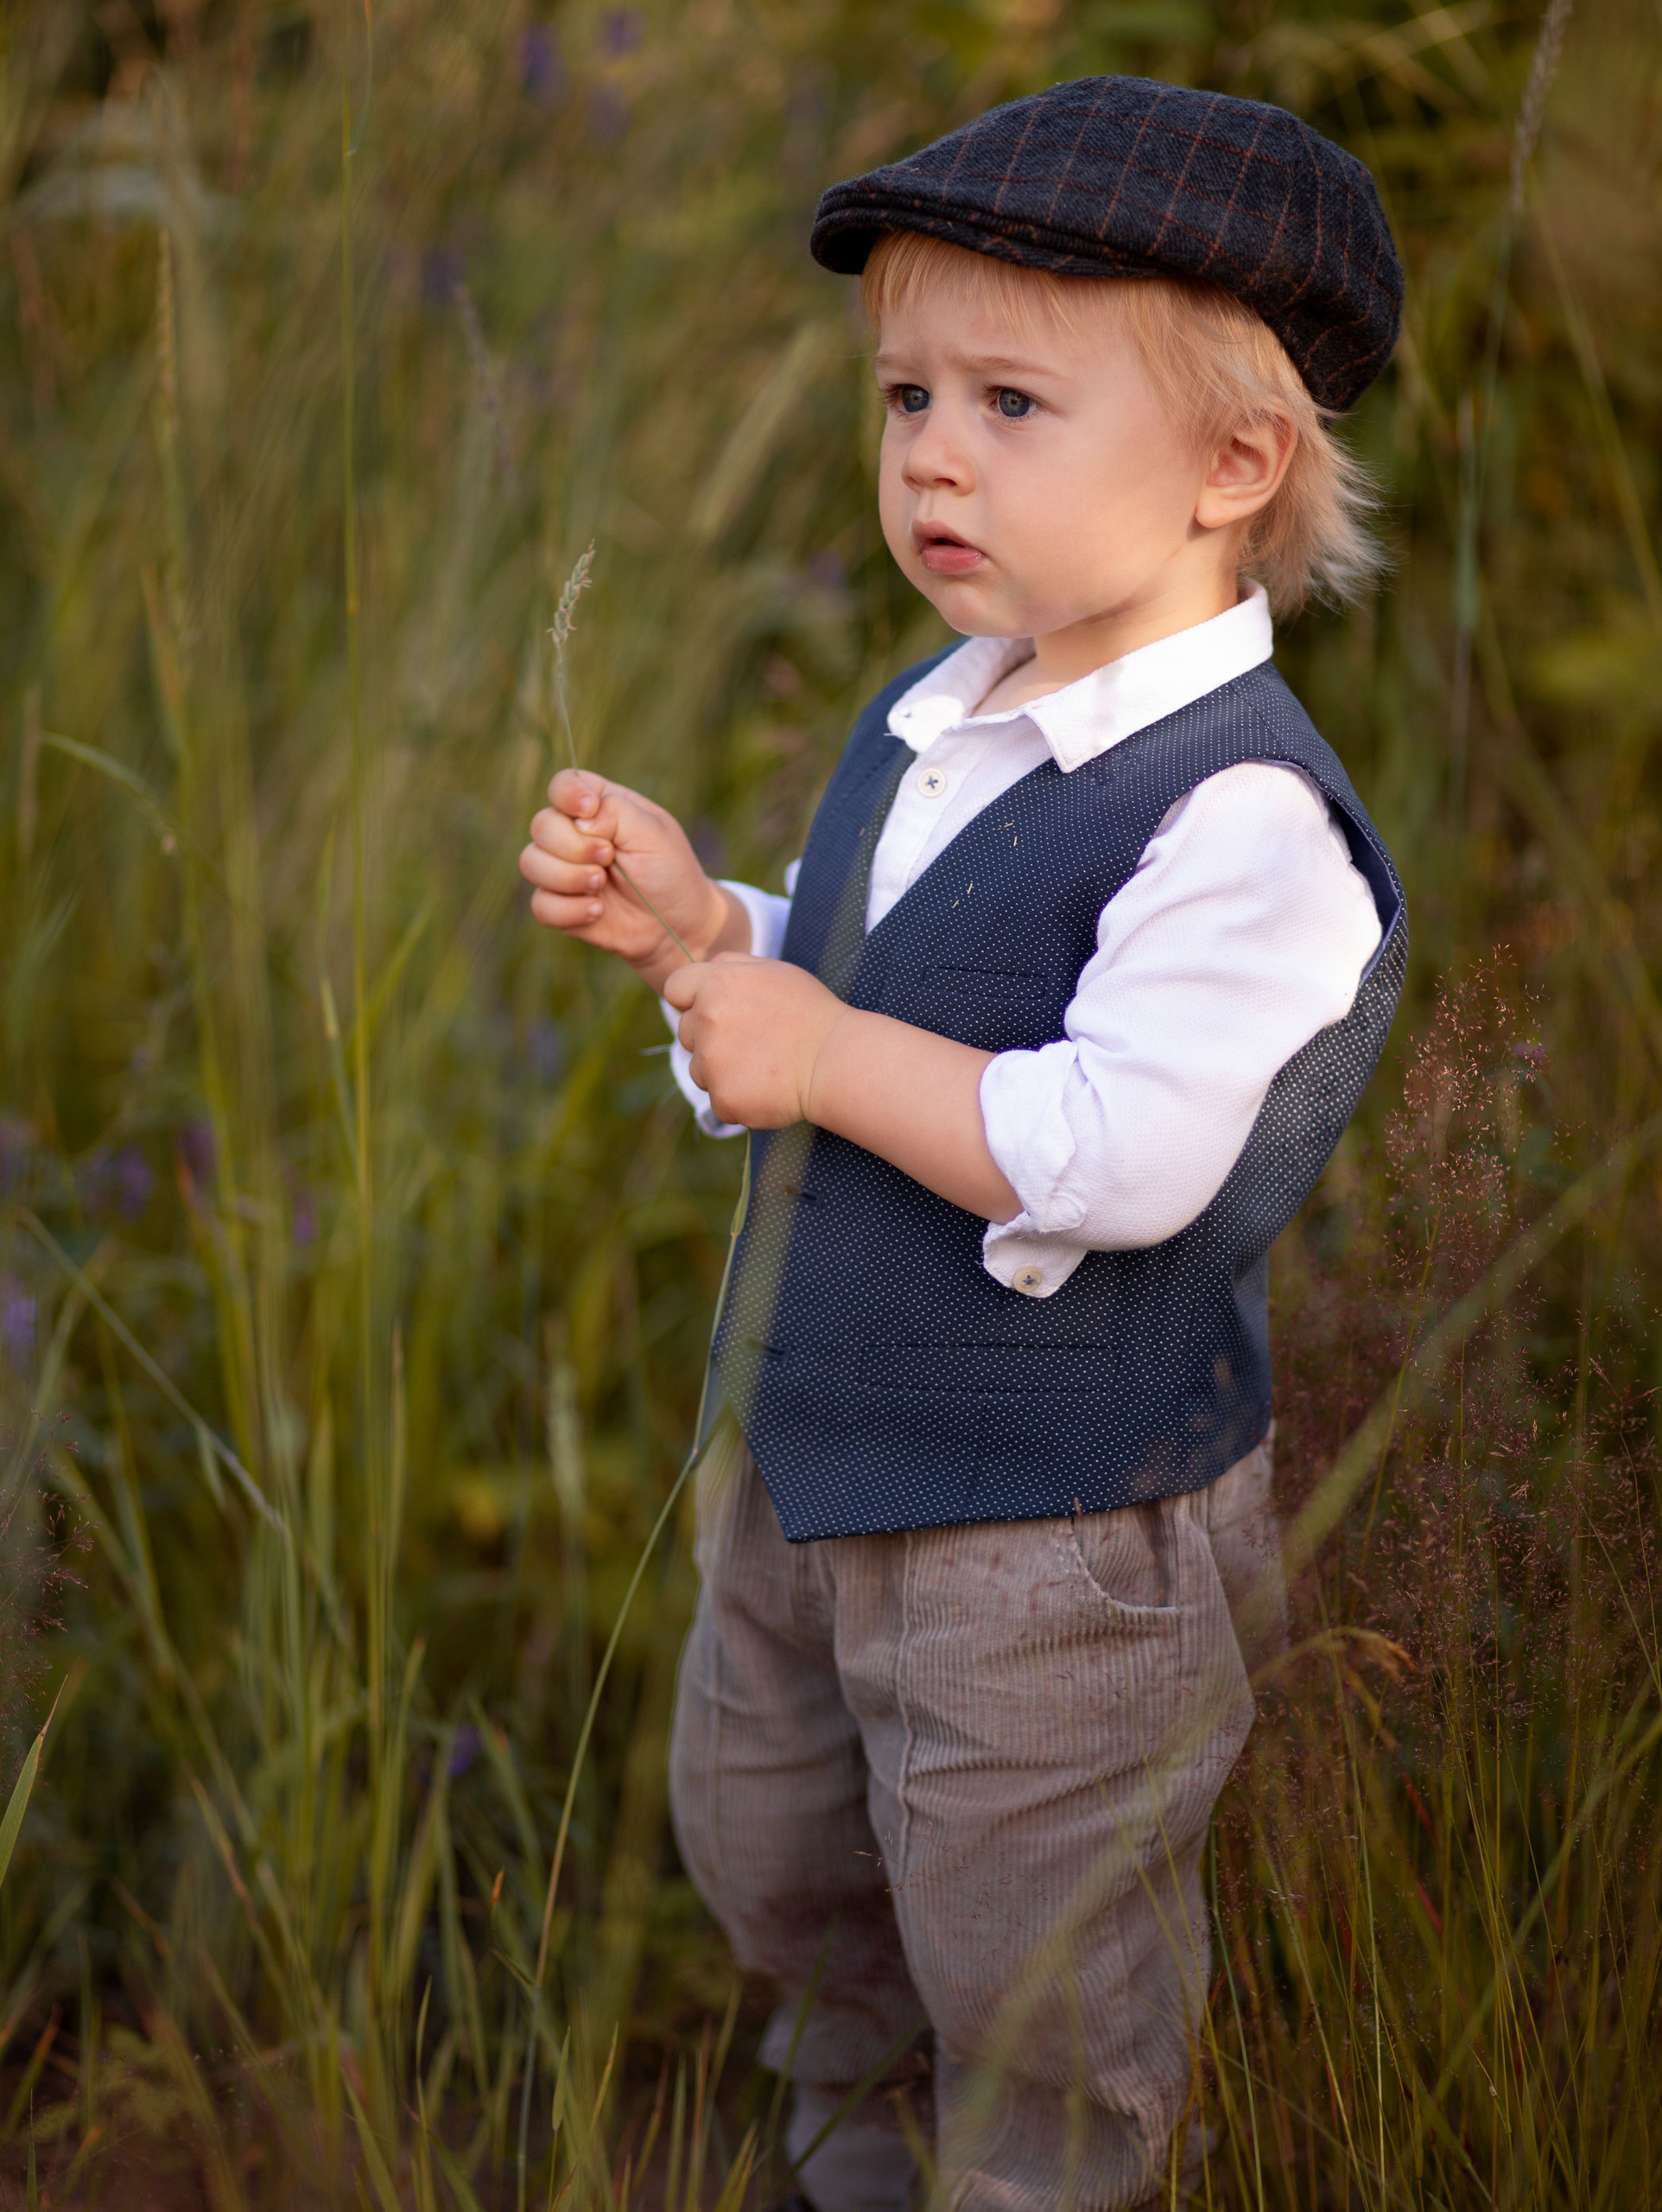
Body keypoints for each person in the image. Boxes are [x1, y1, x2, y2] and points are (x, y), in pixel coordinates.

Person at [520, 74, 1406, 2212]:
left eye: (1013, 401)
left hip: (1048, 1543)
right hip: (810, 1470)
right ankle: (848, 2146)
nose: (929, 448)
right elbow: (859, 1001)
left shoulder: (1238, 817)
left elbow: (1110, 1150)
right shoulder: (931, 718)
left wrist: (813, 1044)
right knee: (785, 1866)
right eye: (905, 389)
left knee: (1036, 1984)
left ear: (1231, 460)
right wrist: (707, 932)